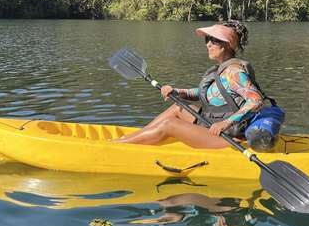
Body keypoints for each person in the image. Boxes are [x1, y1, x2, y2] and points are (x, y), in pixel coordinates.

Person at [114, 20, 269, 148]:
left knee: (169, 124)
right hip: (212, 123)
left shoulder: (233, 72)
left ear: (227, 44)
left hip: (228, 136)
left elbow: (256, 100)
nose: (208, 44)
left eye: (213, 40)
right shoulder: (222, 68)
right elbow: (209, 92)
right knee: (177, 107)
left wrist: (225, 123)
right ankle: (132, 139)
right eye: (207, 39)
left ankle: (119, 146)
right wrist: (177, 92)